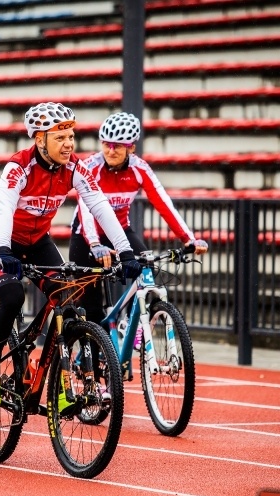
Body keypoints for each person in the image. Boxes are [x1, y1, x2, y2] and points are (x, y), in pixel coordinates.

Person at [0, 102, 142, 415]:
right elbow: (4, 208)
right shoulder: (18, 167)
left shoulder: (75, 168)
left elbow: (101, 208)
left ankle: (62, 386)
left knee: (67, 300)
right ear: (40, 140)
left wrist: (126, 251)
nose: (69, 144)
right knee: (11, 298)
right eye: (60, 137)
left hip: (37, 241)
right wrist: (3, 249)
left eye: (72, 136)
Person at [68, 111, 209, 331]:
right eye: (106, 144)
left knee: (147, 268)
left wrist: (188, 239)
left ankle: (133, 325)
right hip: (86, 236)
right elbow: (85, 211)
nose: (110, 151)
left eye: (118, 146)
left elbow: (164, 204)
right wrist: (95, 245)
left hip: (119, 231)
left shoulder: (139, 169)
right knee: (92, 311)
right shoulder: (90, 167)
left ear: (131, 147)